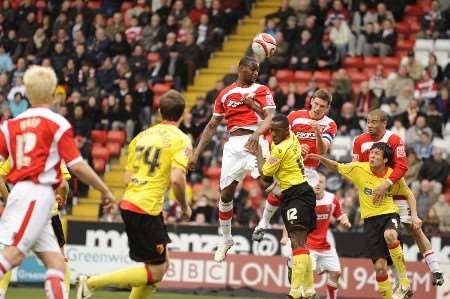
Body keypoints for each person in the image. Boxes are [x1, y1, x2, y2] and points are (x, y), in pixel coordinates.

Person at [0, 66, 114, 299]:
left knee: (56, 262)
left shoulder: (9, 125)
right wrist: (104, 190)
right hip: (37, 192)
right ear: (53, 93)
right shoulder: (57, 122)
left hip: (23, 192)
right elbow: (77, 165)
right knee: (13, 256)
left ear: (28, 93)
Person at [76, 90, 192, 299]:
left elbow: (126, 179)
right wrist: (184, 207)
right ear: (183, 114)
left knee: (160, 265)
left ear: (159, 112)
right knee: (157, 270)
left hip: (133, 202)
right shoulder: (181, 139)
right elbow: (177, 179)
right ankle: (91, 283)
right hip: (145, 207)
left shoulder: (141, 136)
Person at [188, 56, 276, 263]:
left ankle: (264, 222)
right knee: (226, 195)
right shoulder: (225, 94)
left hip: (256, 138)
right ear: (241, 69)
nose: (256, 73)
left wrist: (257, 135)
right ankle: (226, 239)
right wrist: (196, 153)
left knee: (267, 181)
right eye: (252, 69)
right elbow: (211, 125)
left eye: (258, 70)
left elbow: (270, 116)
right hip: (234, 145)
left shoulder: (262, 90)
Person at [308, 142, 421, 299]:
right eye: (371, 153)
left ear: (386, 160)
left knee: (390, 235)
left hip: (389, 215)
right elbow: (336, 166)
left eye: (376, 154)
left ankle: (404, 283)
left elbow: (409, 194)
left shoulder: (392, 176)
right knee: (380, 268)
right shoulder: (359, 169)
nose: (372, 156)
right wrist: (321, 158)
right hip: (370, 222)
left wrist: (414, 216)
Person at [352, 109, 444, 286]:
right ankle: (400, 283)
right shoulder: (359, 141)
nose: (369, 125)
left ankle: (436, 270)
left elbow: (402, 167)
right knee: (386, 238)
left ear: (384, 123)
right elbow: (356, 167)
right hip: (374, 195)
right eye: (368, 121)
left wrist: (385, 184)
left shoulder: (394, 140)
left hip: (394, 189)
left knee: (414, 229)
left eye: (374, 122)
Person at [247, 114, 318, 299]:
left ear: (285, 130)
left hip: (297, 195)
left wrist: (259, 153)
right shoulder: (292, 135)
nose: (273, 134)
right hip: (300, 193)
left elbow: (264, 174)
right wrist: (258, 109)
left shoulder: (280, 150)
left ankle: (294, 293)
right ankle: (309, 292)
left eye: (276, 131)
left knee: (297, 242)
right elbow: (271, 119)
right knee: (302, 244)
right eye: (271, 130)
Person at [253, 89, 337, 241]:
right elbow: (280, 137)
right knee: (278, 193)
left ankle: (292, 243)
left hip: (310, 171)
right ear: (311, 101)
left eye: (322, 106)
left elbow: (323, 150)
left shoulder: (330, 124)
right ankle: (264, 222)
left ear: (327, 108)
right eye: (316, 104)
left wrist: (317, 132)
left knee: (297, 208)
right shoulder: (295, 116)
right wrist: (297, 147)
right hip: (290, 164)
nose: (318, 108)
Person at [0, 160, 72, 299]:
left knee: (9, 254)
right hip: (48, 213)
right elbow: (63, 184)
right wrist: (63, 197)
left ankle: (1, 292)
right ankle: (64, 294)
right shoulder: (54, 146)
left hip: (21, 212)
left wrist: (8, 199)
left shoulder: (16, 144)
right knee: (59, 261)